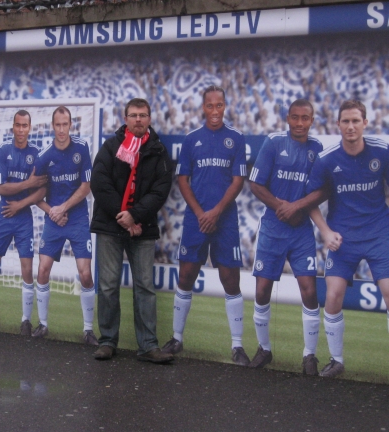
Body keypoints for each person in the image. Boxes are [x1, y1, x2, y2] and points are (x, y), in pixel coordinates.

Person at [163, 85, 250, 365]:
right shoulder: (192, 140)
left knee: (230, 280)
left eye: (219, 105)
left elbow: (238, 181)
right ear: (203, 108)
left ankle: (237, 345)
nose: (215, 111)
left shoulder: (236, 138)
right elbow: (182, 180)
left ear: (225, 106)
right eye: (210, 106)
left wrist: (216, 212)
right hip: (195, 219)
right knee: (186, 276)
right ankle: (177, 337)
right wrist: (202, 213)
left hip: (225, 220)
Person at [306, 99, 389, 378]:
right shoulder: (327, 159)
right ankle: (336, 360)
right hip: (343, 236)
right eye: (346, 121)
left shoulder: (382, 151)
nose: (351, 126)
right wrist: (326, 232)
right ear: (338, 124)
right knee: (334, 294)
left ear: (365, 123)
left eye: (356, 120)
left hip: (379, 232)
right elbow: (310, 202)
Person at [90, 98, 174, 363]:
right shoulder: (111, 146)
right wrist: (123, 217)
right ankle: (107, 341)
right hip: (111, 224)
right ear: (125, 118)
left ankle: (148, 346)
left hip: (143, 226)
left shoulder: (158, 150)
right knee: (107, 286)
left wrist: (135, 216)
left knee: (145, 287)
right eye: (134, 115)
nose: (138, 120)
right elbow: (99, 182)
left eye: (143, 115)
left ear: (149, 119)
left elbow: (161, 190)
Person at [247, 99, 325, 374]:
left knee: (309, 290)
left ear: (312, 120)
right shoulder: (273, 143)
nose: (300, 123)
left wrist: (297, 207)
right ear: (288, 118)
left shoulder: (317, 149)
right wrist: (282, 206)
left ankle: (309, 355)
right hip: (273, 227)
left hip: (301, 229)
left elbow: (323, 190)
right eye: (295, 117)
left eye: (305, 118)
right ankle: (264, 349)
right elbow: (255, 184)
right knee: (261, 290)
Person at [0, 110, 47, 335]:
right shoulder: (3, 150)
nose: (21, 129)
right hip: (4, 214)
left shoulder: (37, 154)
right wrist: (27, 183)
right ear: (13, 127)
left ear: (30, 128)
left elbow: (42, 190)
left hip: (23, 216)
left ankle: (26, 320)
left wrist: (20, 203)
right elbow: (2, 188)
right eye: (17, 125)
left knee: (27, 269)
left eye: (25, 125)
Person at [32, 106, 97, 345]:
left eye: (65, 124)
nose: (61, 129)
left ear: (71, 125)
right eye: (57, 125)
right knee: (42, 270)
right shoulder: (44, 156)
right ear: (52, 126)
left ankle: (89, 330)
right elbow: (35, 194)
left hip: (78, 217)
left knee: (86, 273)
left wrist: (64, 208)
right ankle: (43, 324)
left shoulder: (81, 148)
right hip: (53, 220)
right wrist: (53, 211)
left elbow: (86, 186)